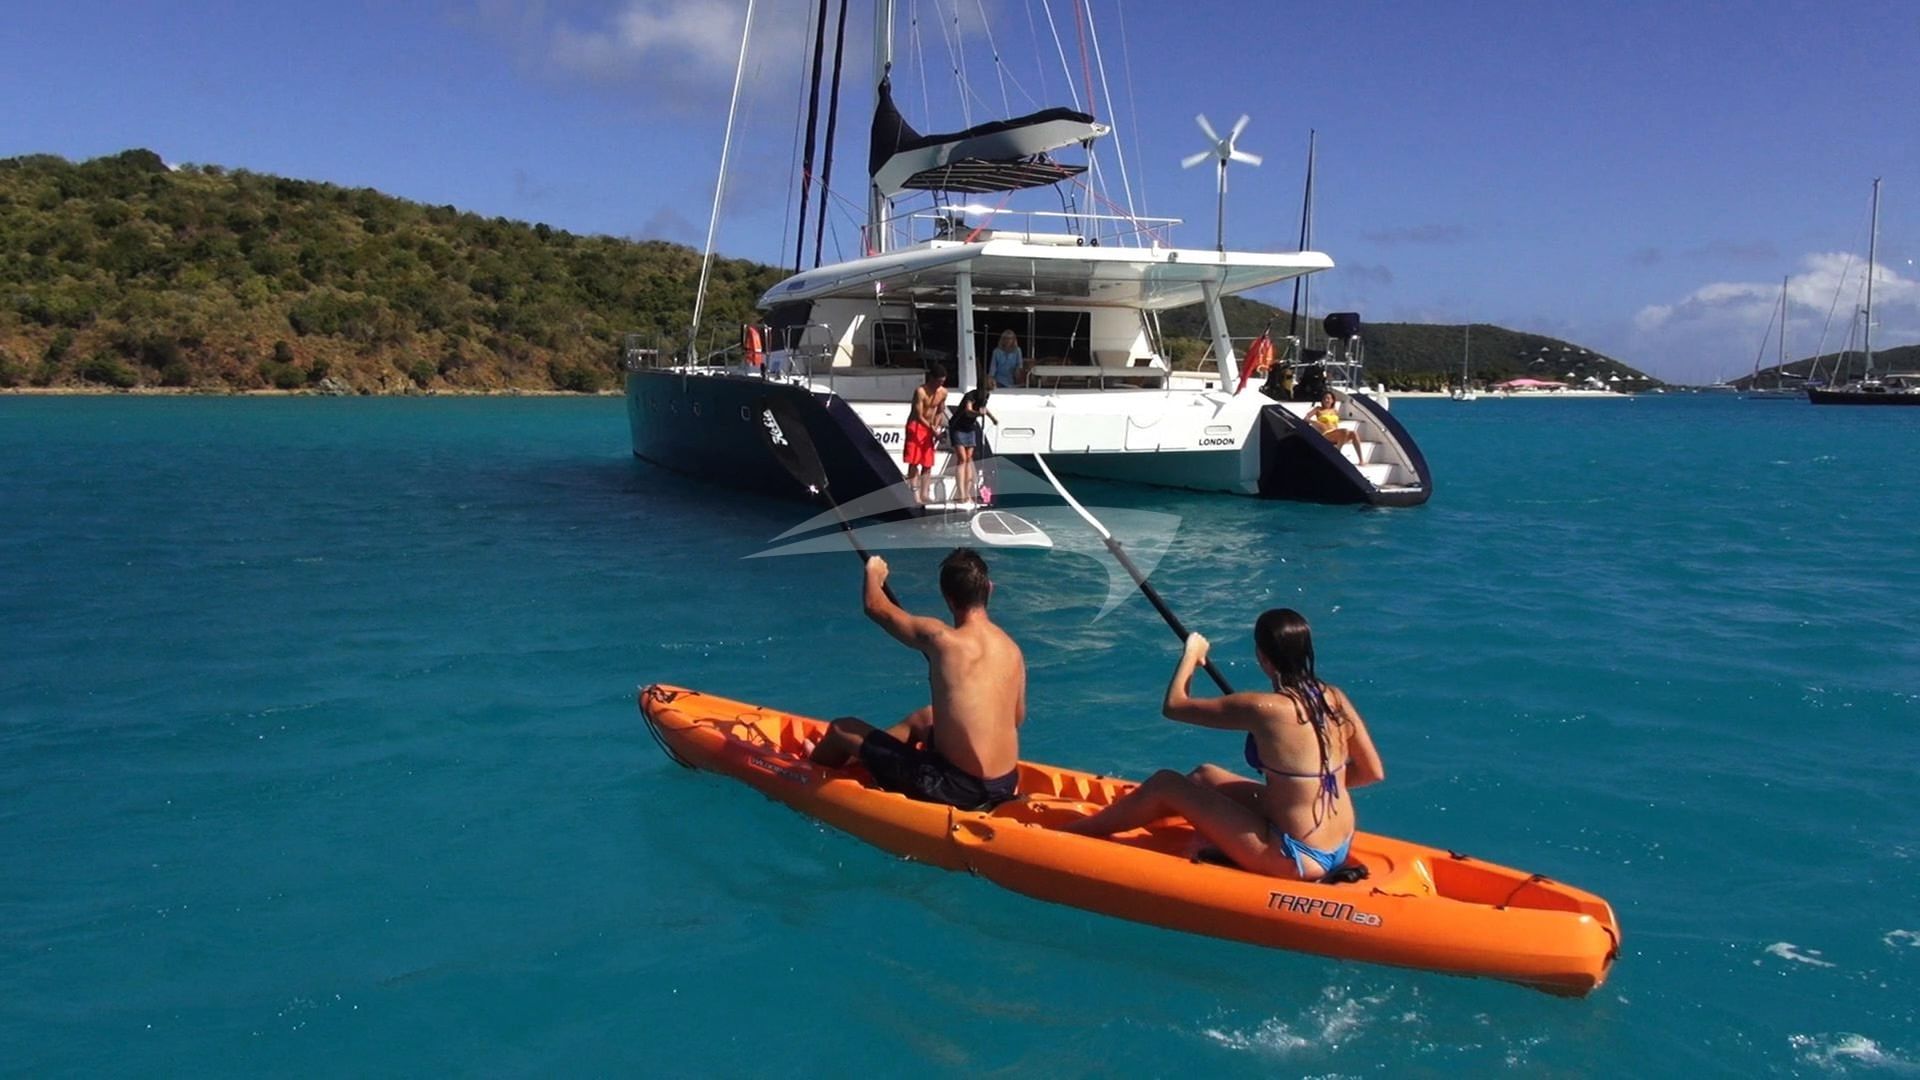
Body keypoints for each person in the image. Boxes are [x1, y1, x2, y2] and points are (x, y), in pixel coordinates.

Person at [1060, 609, 1384, 880]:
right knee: (1204, 776)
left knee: (1166, 783)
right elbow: (1372, 772)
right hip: (1339, 844)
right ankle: (1168, 827)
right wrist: (1298, 795)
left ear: (1262, 656)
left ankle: (1072, 833)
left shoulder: (1263, 708)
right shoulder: (1333, 698)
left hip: (1294, 856)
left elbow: (1174, 706)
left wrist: (1191, 655)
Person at [809, 550, 1026, 811]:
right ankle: (866, 760)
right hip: (1004, 783)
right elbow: (1016, 718)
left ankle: (806, 773)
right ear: (989, 589)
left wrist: (873, 574)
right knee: (925, 718)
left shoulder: (942, 639)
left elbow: (876, 607)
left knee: (841, 729)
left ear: (948, 598)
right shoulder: (1012, 650)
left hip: (956, 789)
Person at [947, 381, 998, 503]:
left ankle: (966, 492)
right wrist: (978, 414)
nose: (986, 394)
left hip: (970, 428)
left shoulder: (985, 397)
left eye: (988, 392)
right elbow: (968, 411)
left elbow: (984, 408)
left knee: (969, 458)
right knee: (962, 459)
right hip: (958, 427)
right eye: (986, 391)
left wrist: (992, 418)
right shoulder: (970, 396)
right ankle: (961, 493)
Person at [904, 364, 948, 504]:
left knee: (927, 463)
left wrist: (936, 427)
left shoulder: (943, 392)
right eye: (937, 382)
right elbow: (918, 415)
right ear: (931, 378)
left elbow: (940, 411)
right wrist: (933, 430)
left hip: (930, 427)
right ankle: (914, 494)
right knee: (914, 461)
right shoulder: (920, 391)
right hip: (916, 427)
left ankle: (925, 494)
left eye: (942, 382)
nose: (939, 385)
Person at [1309, 392, 1365, 461]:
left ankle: (1361, 460)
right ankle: (1337, 453)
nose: (1326, 400)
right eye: (1324, 398)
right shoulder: (1318, 409)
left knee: (1354, 433)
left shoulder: (1335, 411)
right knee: (1345, 431)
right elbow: (1306, 418)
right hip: (1326, 434)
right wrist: (1316, 422)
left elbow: (1336, 424)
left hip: (1336, 433)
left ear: (1332, 401)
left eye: (1328, 398)